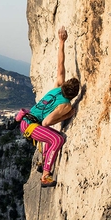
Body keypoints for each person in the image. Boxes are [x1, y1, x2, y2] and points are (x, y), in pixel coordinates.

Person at [15, 26, 80, 187]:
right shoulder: (65, 105)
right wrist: (68, 114)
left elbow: (60, 63)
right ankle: (45, 175)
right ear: (73, 96)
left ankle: (42, 162)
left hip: (27, 121)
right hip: (32, 125)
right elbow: (46, 123)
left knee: (50, 136)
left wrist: (61, 41)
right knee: (57, 139)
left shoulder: (58, 86)